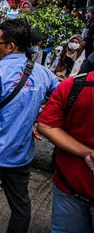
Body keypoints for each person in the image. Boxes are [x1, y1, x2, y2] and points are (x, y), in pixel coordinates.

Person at [0, 19, 60, 233]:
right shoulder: (42, 73)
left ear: (11, 46)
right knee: (21, 207)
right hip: (21, 154)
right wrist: (41, 117)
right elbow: (61, 96)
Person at [37, 71, 94, 232]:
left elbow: (46, 125)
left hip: (68, 186)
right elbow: (45, 124)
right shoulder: (76, 85)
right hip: (69, 188)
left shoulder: (74, 84)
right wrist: (87, 153)